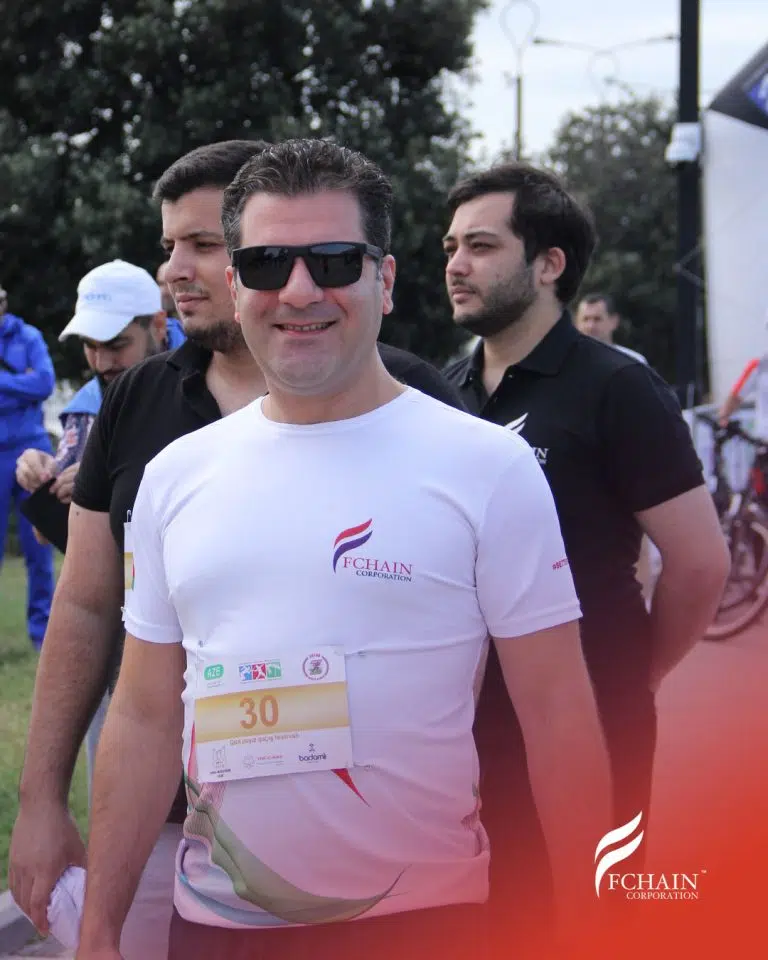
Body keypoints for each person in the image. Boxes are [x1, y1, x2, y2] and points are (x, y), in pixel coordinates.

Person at [75, 138, 610, 960]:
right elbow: (145, 716)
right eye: (266, 264)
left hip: (425, 926)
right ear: (235, 286)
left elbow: (559, 716)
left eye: (332, 261)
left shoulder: (487, 466)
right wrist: (98, 930)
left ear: (384, 281)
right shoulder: (175, 476)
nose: (299, 290)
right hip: (216, 930)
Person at [8, 138, 469, 960]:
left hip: (386, 847)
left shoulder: (412, 399)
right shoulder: (138, 401)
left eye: (202, 244)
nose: (175, 271)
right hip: (164, 830)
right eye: (169, 246)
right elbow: (84, 604)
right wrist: (41, 798)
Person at [442, 162, 729, 921]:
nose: (456, 264)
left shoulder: (617, 387)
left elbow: (700, 563)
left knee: (592, 917)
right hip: (464, 726)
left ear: (549, 264)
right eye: (450, 247)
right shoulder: (446, 392)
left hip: (592, 715)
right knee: (487, 918)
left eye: (480, 245)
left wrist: (638, 671)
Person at [14, 259, 185, 799]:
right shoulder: (86, 408)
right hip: (111, 634)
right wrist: (44, 475)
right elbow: (52, 537)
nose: (101, 361)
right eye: (90, 345)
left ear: (158, 325)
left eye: (116, 344)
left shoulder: (210, 383)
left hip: (199, 637)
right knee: (117, 792)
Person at [0, 284, 55, 649]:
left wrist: (3, 383)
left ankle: (42, 634)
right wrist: (22, 384)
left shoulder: (28, 336)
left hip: (30, 447)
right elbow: (31, 384)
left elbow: (44, 383)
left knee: (39, 545)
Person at [574, 292, 648, 364]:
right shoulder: (568, 362)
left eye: (597, 319)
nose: (591, 326)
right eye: (585, 319)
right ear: (576, 322)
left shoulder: (633, 362)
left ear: (614, 322)